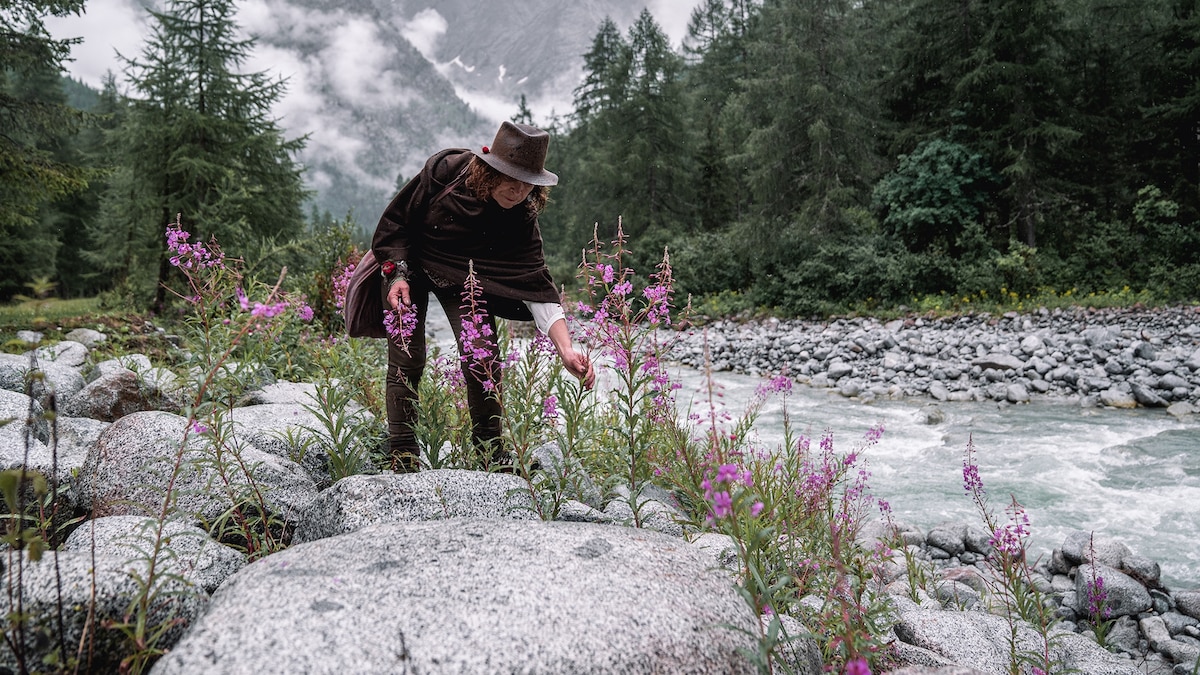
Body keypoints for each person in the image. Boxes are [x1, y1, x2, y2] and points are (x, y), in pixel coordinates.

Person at [371, 121, 595, 472]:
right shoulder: (443, 172)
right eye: (510, 177)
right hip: (406, 265)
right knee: (408, 357)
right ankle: (401, 453)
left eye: (528, 183)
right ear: (489, 169)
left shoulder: (521, 218)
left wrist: (566, 349)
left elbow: (538, 285)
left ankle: (490, 453)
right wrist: (396, 274)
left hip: (462, 281)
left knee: (482, 355)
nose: (518, 190)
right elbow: (396, 223)